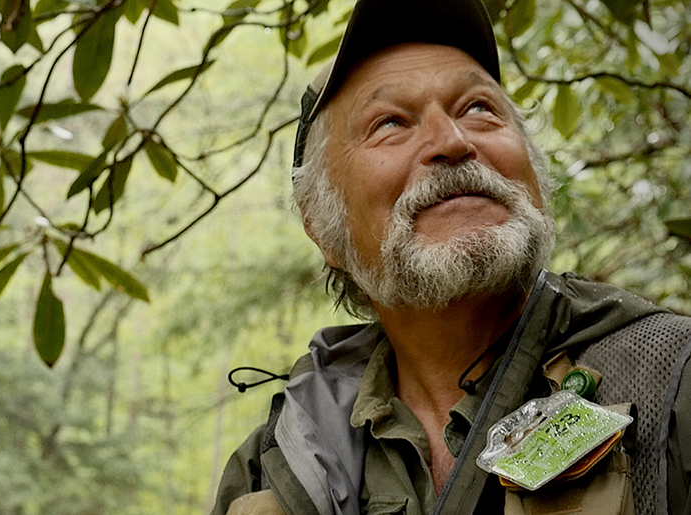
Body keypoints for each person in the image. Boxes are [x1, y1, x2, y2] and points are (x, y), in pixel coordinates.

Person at [211, 0, 691, 514]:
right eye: (390, 123)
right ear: (323, 229)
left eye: (479, 108)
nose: (453, 141)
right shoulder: (271, 467)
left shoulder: (672, 377)